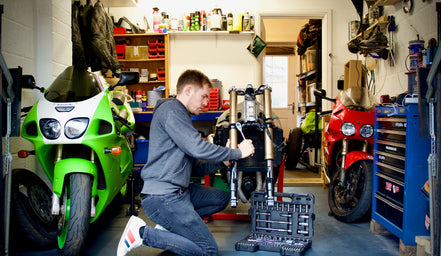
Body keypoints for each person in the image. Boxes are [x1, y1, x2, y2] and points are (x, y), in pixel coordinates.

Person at [117, 69, 255, 256]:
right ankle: (142, 234)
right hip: (163, 197)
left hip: (179, 193)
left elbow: (195, 165)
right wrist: (237, 152)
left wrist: (223, 162)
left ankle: (171, 229)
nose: (206, 103)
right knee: (208, 251)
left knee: (220, 199)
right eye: (204, 96)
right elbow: (197, 147)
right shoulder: (171, 110)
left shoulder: (180, 115)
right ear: (189, 90)